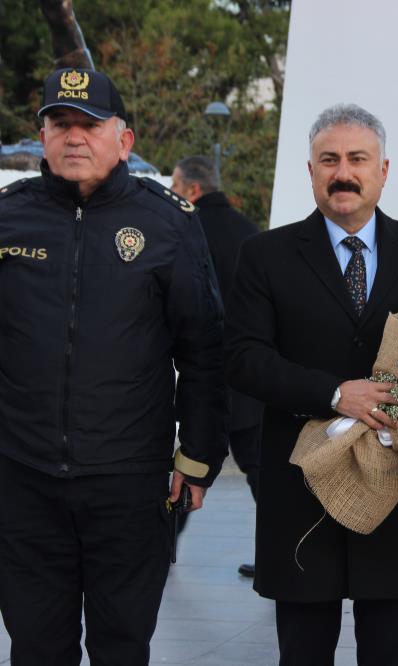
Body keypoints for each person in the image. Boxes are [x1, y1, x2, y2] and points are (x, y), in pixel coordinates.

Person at [0, 68, 227, 664]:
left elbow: (203, 351)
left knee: (122, 646)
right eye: (60, 123)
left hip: (127, 482)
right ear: (42, 136)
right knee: (35, 647)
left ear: (123, 140)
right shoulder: (9, 218)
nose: (74, 137)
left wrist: (197, 459)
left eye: (89, 125)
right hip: (22, 479)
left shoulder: (168, 222)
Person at [225, 103, 398, 665]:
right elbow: (245, 359)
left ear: (383, 170)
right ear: (310, 171)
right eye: (329, 159)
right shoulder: (263, 255)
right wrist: (333, 392)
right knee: (302, 651)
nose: (342, 172)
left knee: (389, 650)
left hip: (394, 487)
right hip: (301, 489)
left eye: (357, 158)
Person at [171, 155, 262, 578]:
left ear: (192, 189)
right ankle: (277, 556)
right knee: (262, 475)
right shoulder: (251, 234)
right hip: (248, 378)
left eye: (175, 185)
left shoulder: (184, 229)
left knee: (188, 467)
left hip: (202, 376)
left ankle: (162, 547)